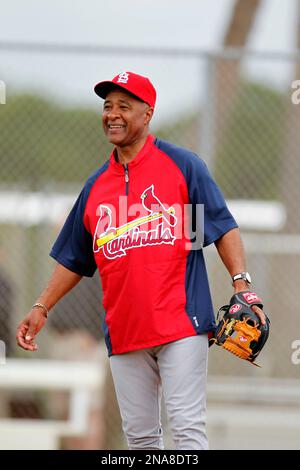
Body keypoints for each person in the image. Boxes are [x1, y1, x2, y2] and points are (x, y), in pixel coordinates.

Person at [17, 71, 266, 450]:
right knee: (141, 440)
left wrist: (242, 285)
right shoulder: (96, 186)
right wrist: (42, 306)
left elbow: (222, 227)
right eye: (107, 106)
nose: (112, 114)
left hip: (182, 324)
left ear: (147, 114)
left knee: (186, 432)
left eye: (124, 106)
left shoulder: (183, 166)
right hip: (125, 332)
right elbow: (73, 257)